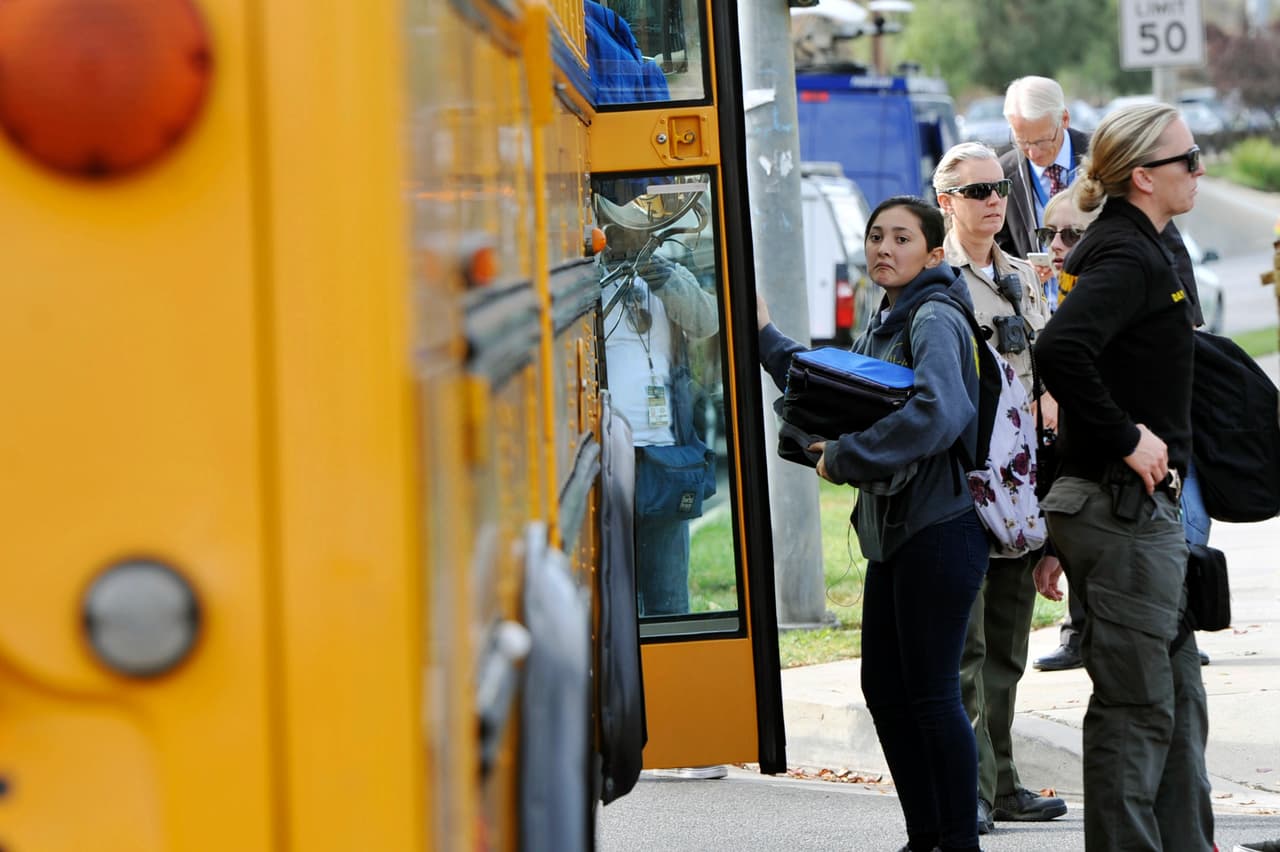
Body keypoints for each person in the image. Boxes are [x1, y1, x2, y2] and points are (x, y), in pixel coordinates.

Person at [759, 196, 988, 852]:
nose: (884, 248)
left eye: (903, 238)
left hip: (940, 529)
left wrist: (849, 456)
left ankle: (956, 842)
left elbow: (939, 412)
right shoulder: (891, 315)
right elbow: (844, 391)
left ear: (935, 253)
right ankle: (927, 839)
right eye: (876, 236)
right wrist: (768, 340)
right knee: (887, 689)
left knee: (932, 693)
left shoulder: (935, 316)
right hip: (897, 532)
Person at [1034, 102, 1214, 851]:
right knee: (1137, 709)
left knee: (1177, 699)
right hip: (1122, 512)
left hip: (1132, 512)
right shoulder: (1126, 254)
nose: (1201, 168)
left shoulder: (1141, 245)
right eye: (1188, 158)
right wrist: (1128, 438)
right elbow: (1060, 352)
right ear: (1144, 176)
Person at [932, 143, 1066, 835]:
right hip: (966, 486)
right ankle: (973, 789)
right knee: (969, 649)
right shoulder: (935, 279)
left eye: (998, 188)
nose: (993, 199)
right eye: (976, 189)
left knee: (1009, 649)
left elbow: (1047, 364)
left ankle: (1006, 781)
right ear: (945, 201)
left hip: (1024, 487)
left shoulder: (1023, 273)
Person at [1031, 187, 1216, 673]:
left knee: (1190, 535)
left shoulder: (1130, 269)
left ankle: (1177, 627)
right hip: (1108, 493)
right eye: (1049, 233)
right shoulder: (1072, 283)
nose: (1057, 244)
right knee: (1135, 689)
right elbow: (1057, 355)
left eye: (1071, 234)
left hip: (1154, 477)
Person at [597, 191, 717, 618]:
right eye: (620, 228)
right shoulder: (594, 284)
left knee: (669, 602)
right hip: (608, 460)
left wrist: (656, 269)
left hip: (665, 457)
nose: (628, 237)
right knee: (614, 602)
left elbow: (706, 320)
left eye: (638, 228)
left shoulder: (666, 276)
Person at [996, 76, 1091, 262]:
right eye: (1021, 142)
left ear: (1064, 119)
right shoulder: (1004, 173)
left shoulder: (1102, 156)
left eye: (1042, 141)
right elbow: (1001, 244)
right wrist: (1024, 273)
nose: (1033, 152)